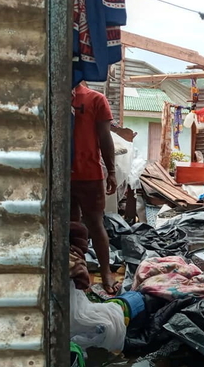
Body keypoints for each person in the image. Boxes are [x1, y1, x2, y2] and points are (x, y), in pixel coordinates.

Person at [71, 82, 120, 294]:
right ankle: (76, 273)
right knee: (75, 227)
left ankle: (105, 272)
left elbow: (104, 137)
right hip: (63, 176)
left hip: (88, 175)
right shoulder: (54, 96)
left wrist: (111, 171)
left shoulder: (96, 99)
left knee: (92, 225)